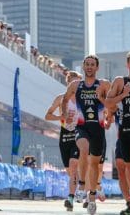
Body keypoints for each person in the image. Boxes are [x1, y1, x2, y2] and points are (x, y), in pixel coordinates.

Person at [62, 55, 111, 214]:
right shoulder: (76, 85)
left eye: (92, 65)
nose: (89, 67)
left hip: (98, 128)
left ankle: (92, 196)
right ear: (83, 67)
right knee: (83, 149)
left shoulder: (103, 84)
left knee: (95, 164)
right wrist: (64, 115)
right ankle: (82, 186)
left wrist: (102, 101)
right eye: (87, 64)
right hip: (82, 127)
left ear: (97, 68)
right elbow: (64, 99)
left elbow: (113, 104)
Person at [104, 51, 130, 213]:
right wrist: (123, 94)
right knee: (125, 166)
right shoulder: (120, 81)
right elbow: (108, 102)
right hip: (123, 130)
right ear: (128, 65)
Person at [45, 70, 82, 211]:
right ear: (67, 83)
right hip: (64, 136)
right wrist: (60, 118)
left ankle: (71, 198)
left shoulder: (82, 99)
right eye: (71, 82)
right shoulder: (61, 99)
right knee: (70, 171)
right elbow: (47, 116)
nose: (74, 85)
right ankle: (78, 188)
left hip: (78, 134)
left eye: (77, 82)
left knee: (73, 165)